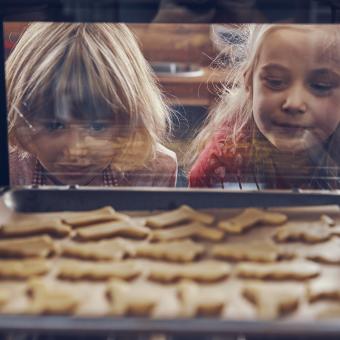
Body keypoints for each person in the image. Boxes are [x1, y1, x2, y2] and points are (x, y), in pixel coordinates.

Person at [6, 22, 177, 187]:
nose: (75, 149)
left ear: (130, 119)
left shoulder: (154, 170)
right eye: (54, 125)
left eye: (97, 126)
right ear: (22, 118)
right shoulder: (9, 167)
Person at [188, 24, 340, 189]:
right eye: (275, 81)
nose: (294, 103)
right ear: (248, 83)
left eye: (321, 85)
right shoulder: (221, 163)